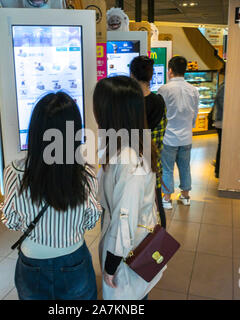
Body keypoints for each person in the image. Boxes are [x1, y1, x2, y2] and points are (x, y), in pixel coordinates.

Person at [0, 92, 102, 300]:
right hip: (73, 259)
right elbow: (91, 219)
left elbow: (10, 221)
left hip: (31, 260)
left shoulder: (14, 171)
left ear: (35, 131)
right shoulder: (84, 174)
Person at [94, 76, 162, 300]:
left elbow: (125, 216)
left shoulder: (128, 159)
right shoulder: (132, 144)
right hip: (135, 244)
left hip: (128, 252)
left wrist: (112, 265)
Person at [130, 56, 167, 227]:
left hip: (131, 170)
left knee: (133, 213)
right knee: (156, 209)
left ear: (132, 75)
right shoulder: (159, 102)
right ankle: (156, 247)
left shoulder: (129, 105)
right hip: (152, 165)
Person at [158, 56, 199, 207]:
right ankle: (186, 196)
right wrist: (190, 126)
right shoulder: (193, 90)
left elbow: (160, 114)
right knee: (185, 167)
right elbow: (195, 113)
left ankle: (167, 198)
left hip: (169, 136)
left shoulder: (164, 89)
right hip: (186, 136)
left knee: (167, 169)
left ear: (170, 70)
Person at [213, 65, 225, 179]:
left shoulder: (224, 85)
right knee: (223, 146)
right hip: (222, 121)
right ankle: (218, 170)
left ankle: (219, 169)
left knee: (222, 145)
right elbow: (223, 104)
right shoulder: (225, 86)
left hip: (221, 121)